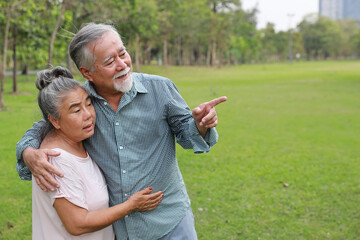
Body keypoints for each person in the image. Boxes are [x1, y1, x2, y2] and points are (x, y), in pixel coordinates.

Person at [16, 23, 227, 240]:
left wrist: (201, 125)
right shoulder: (81, 101)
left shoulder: (160, 89)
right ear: (87, 72)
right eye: (109, 61)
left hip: (170, 224)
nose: (122, 64)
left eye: (123, 53)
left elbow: (187, 133)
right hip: (120, 230)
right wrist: (28, 152)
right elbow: (40, 128)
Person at [32, 66, 163, 239]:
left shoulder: (81, 142)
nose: (88, 115)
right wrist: (131, 206)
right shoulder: (57, 160)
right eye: (76, 110)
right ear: (54, 120)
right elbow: (77, 224)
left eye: (88, 104)